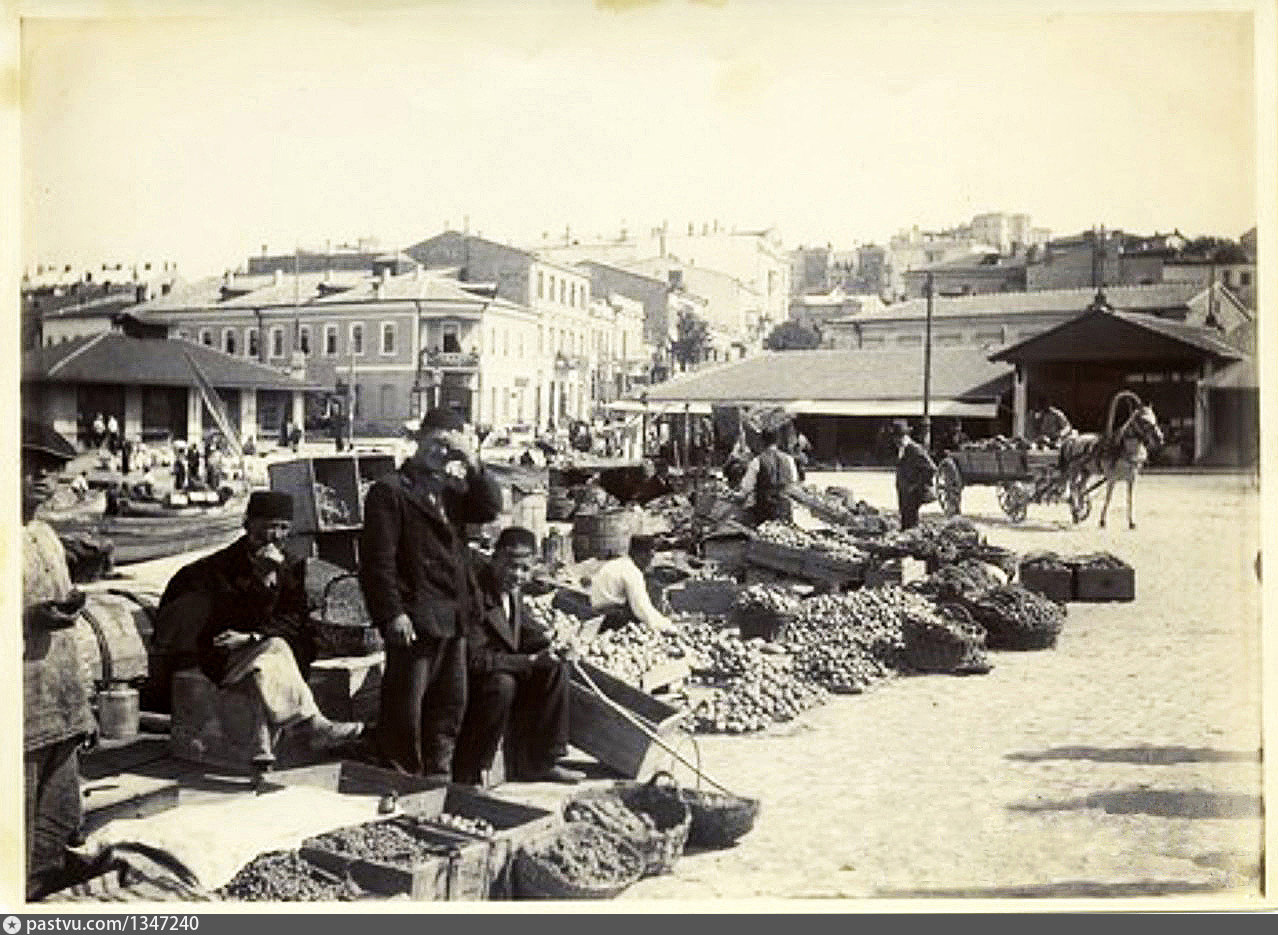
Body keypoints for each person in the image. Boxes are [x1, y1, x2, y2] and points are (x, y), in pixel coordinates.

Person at [156, 491, 361, 772]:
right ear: (247, 524)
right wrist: (260, 580)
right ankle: (313, 724)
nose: (275, 535)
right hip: (225, 652)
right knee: (272, 651)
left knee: (268, 656)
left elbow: (294, 619)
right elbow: (223, 620)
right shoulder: (219, 567)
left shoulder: (292, 566)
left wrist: (255, 637)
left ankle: (261, 745)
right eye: (269, 525)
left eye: (283, 528)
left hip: (266, 651)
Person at [359, 407, 503, 780]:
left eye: (448, 447)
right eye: (437, 443)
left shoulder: (451, 491)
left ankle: (438, 775)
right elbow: (377, 562)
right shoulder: (389, 491)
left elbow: (489, 508)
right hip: (415, 615)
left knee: (448, 705)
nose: (441, 453)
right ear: (418, 439)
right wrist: (391, 613)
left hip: (453, 615)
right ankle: (401, 776)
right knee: (405, 707)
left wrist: (471, 460)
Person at [22, 421, 96, 901]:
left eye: (52, 469)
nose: (43, 478)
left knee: (60, 818)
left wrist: (83, 704)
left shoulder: (47, 535)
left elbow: (68, 629)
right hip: (20, 713)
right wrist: (29, 619)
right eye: (30, 467)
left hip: (61, 704)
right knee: (16, 825)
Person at [453, 527, 585, 786]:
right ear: (495, 559)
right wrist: (529, 662)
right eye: (512, 566)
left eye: (525, 569)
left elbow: (523, 630)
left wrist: (552, 644)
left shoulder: (513, 590)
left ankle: (540, 762)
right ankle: (471, 771)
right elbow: (476, 660)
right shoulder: (476, 595)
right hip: (474, 680)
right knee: (503, 685)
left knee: (555, 669)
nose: (518, 575)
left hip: (504, 666)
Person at [588, 534, 677, 634]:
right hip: (610, 618)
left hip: (594, 613)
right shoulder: (632, 572)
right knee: (643, 614)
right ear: (640, 555)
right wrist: (666, 625)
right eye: (650, 556)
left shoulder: (618, 563)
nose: (650, 562)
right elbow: (641, 609)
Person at [738, 428, 799, 525]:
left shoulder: (757, 461)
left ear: (762, 441)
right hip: (784, 507)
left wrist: (739, 495)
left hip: (764, 510)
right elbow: (793, 481)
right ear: (778, 441)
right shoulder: (789, 459)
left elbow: (746, 487)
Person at [890, 419, 936, 531]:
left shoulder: (914, 449)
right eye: (895, 437)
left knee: (911, 522)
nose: (896, 440)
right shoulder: (902, 449)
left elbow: (931, 468)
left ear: (905, 436)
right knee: (906, 520)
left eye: (899, 437)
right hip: (904, 492)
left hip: (913, 493)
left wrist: (915, 485)